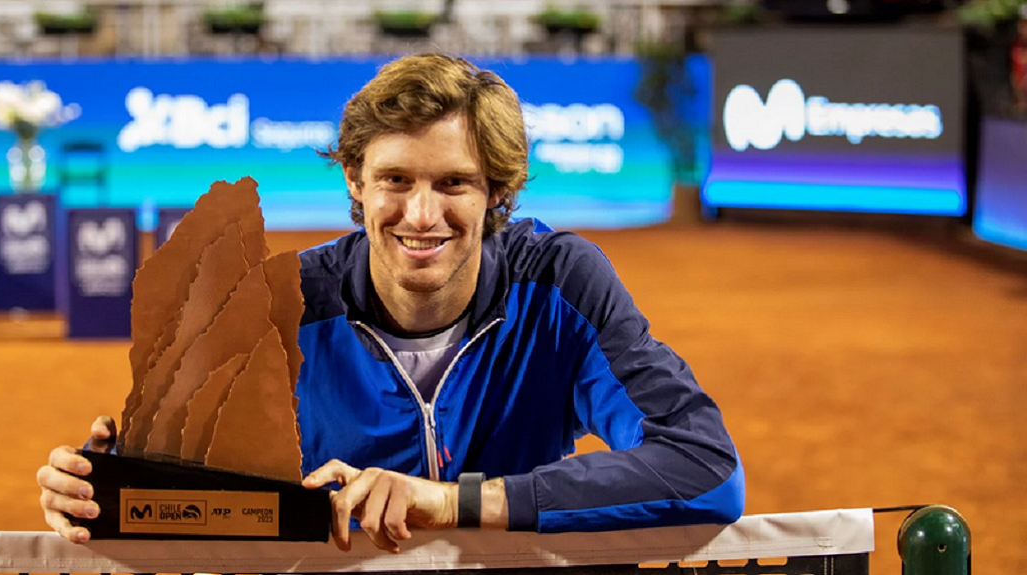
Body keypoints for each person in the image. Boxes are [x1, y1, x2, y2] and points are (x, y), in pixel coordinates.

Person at [36, 52, 745, 553]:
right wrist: (101, 482)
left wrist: (452, 500)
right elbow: (171, 483)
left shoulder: (560, 285)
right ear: (354, 181)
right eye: (395, 179)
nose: (421, 213)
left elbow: (705, 467)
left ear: (499, 188)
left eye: (455, 183)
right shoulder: (280, 308)